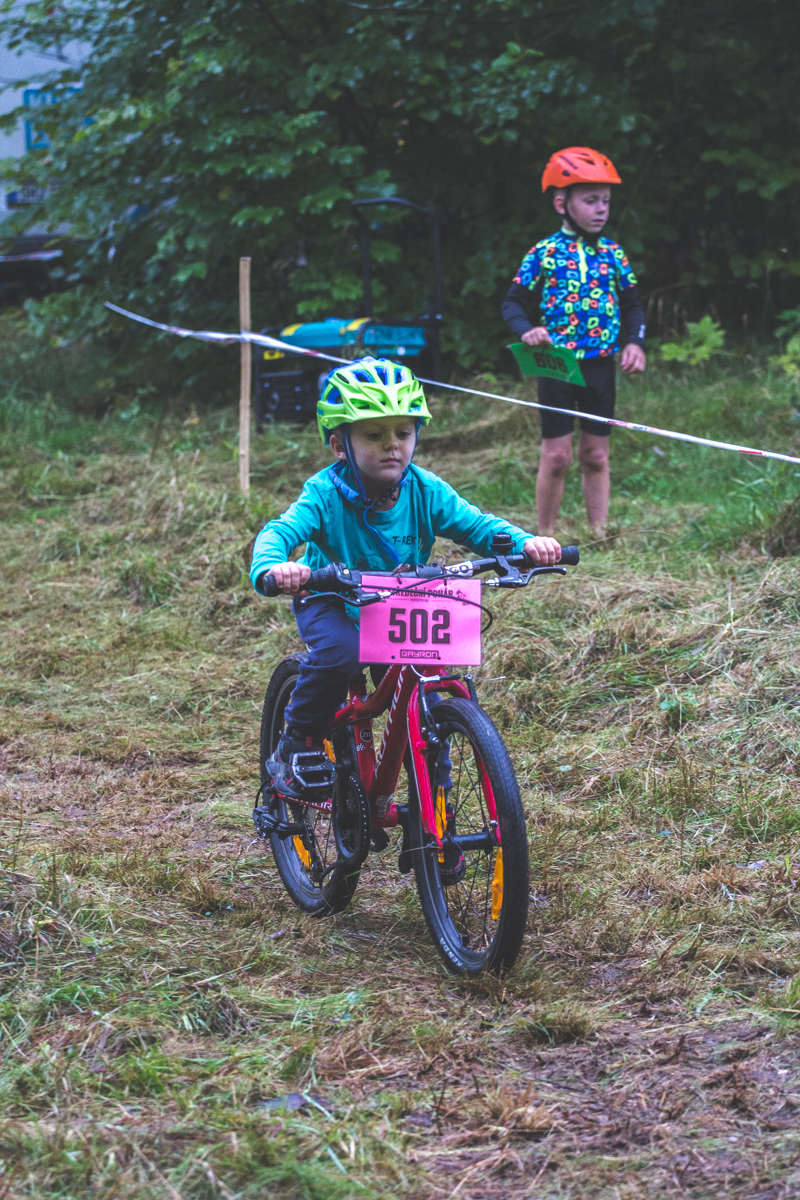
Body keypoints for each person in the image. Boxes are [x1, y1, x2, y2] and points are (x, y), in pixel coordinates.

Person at [250, 355, 561, 799]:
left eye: (403, 432)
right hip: (332, 598)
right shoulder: (323, 493)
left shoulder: (426, 489)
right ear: (339, 445)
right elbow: (280, 532)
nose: (392, 445)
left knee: (427, 691)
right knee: (341, 654)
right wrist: (275, 566)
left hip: (399, 604)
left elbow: (478, 527)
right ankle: (297, 743)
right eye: (374, 435)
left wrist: (525, 544)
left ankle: (436, 804)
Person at [502, 146, 647, 539]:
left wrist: (635, 343)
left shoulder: (613, 253)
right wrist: (526, 331)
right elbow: (512, 303)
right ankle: (544, 536)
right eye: (590, 200)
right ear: (561, 203)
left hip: (601, 364)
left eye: (606, 201)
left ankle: (600, 532)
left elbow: (633, 305)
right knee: (557, 456)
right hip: (557, 364)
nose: (601, 209)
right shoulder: (544, 252)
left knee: (596, 454)